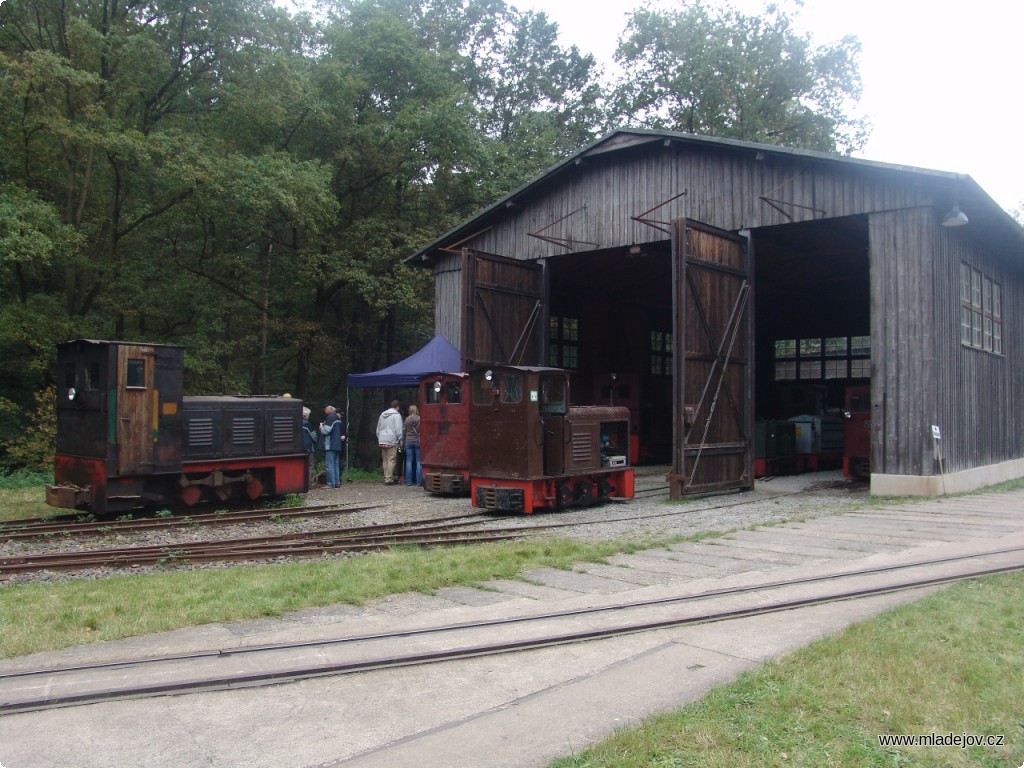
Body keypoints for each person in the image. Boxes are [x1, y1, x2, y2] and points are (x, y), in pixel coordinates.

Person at [375, 399, 404, 484]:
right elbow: (398, 429)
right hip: (391, 440)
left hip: (382, 439)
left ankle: (385, 477)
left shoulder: (382, 415)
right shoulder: (397, 415)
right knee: (391, 459)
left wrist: (379, 437)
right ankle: (388, 478)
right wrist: (400, 439)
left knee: (385, 460)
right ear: (397, 407)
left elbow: (378, 428)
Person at [320, 404, 346, 488]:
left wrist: (321, 427)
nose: (324, 410)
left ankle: (330, 483)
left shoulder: (330, 417)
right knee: (335, 464)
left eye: (325, 409)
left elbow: (326, 431)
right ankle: (337, 482)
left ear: (330, 409)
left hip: (330, 444)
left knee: (329, 465)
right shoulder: (338, 418)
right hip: (337, 444)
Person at [403, 404, 422, 487]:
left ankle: (408, 481)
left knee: (409, 461)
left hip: (408, 441)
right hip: (417, 441)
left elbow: (405, 430)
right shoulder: (419, 419)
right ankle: (419, 482)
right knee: (418, 461)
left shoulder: (407, 419)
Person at [301, 407, 316, 487]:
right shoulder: (307, 424)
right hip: (308, 447)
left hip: (298, 448)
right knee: (310, 465)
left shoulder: (295, 422)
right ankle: (308, 483)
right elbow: (314, 436)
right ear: (306, 415)